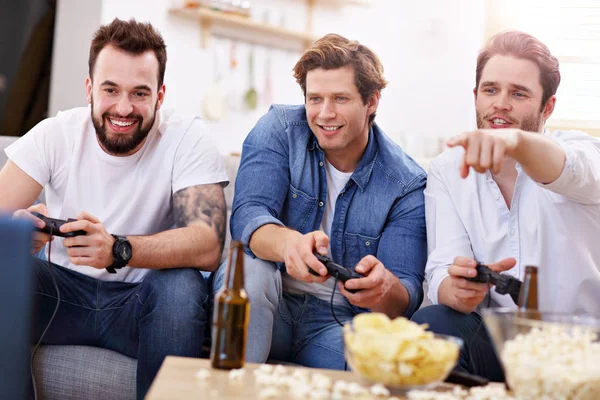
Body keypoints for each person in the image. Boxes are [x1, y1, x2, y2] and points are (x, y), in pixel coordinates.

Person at [0, 18, 228, 399]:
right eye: (110, 89)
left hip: (141, 308)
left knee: (182, 285)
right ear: (89, 88)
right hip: (61, 298)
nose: (123, 108)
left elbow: (207, 245)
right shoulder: (56, 134)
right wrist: (17, 234)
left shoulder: (188, 138)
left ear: (160, 95)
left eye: (140, 93)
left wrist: (118, 249)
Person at [215, 33, 427, 369]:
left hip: (336, 322)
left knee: (371, 353)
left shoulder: (405, 183)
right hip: (270, 297)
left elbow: (405, 296)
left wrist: (385, 288)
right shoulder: (279, 130)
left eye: (340, 99)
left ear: (371, 102)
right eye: (315, 99)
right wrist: (290, 246)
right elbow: (247, 217)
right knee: (249, 274)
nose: (325, 114)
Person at [412, 30, 600, 381]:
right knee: (430, 326)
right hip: (498, 342)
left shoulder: (585, 154)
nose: (500, 103)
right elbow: (440, 267)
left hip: (582, 350)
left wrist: (514, 141)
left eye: (519, 94)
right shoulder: (447, 170)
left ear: (548, 107)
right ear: (475, 96)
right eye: (491, 90)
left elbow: (566, 167)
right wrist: (456, 288)